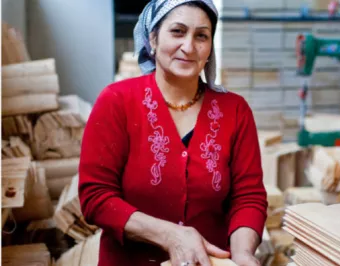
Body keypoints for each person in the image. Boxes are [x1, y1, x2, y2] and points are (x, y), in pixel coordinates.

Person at [78, 0, 268, 265]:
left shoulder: (235, 111)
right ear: (152, 38)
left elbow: (248, 197)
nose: (189, 47)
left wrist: (242, 254)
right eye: (177, 31)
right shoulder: (116, 102)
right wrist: (170, 236)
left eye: (201, 36)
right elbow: (96, 197)